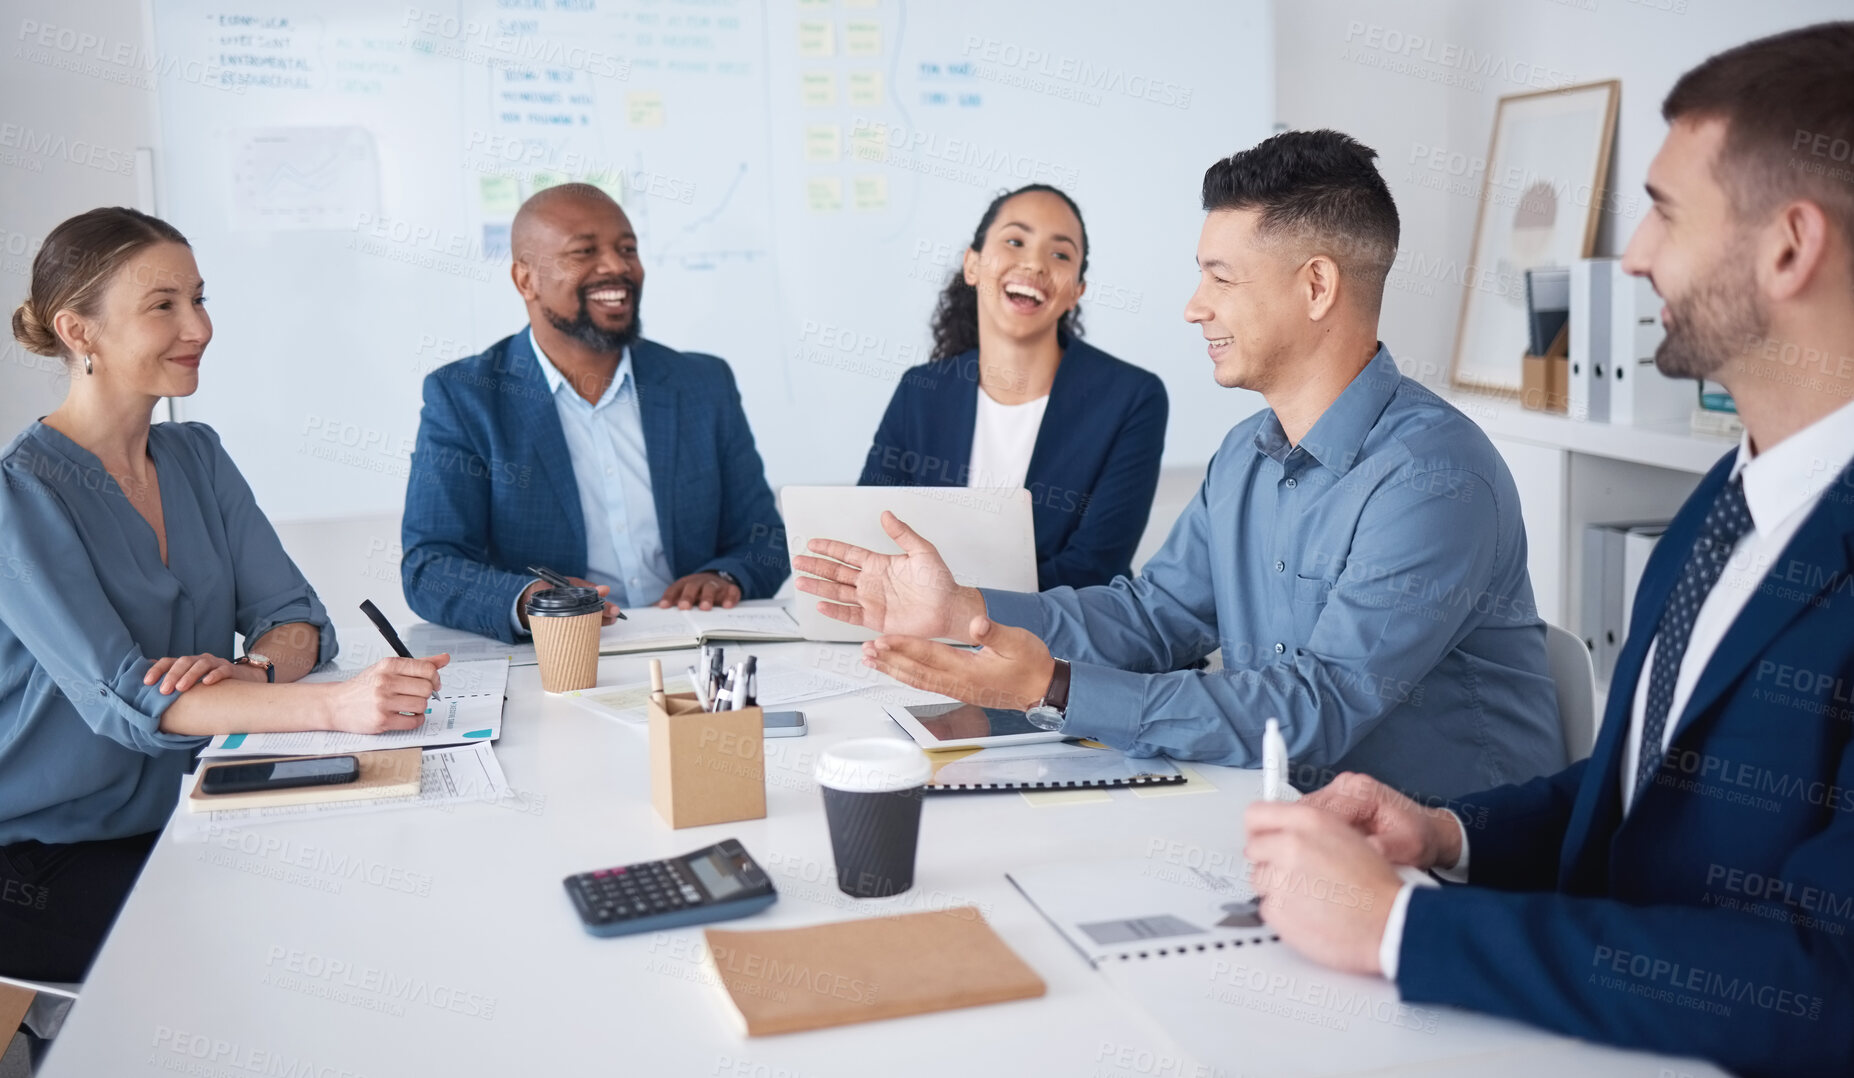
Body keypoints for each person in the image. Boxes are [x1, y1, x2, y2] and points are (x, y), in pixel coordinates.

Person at [1242, 24, 1854, 1078]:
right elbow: (1638, 798)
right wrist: (1444, 837)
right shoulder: (1732, 495)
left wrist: (1403, 929)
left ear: (1789, 246)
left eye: (1663, 212)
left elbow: (1827, 986)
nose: (1635, 257)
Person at [798, 131, 1564, 802]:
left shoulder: (1435, 479)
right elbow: (1151, 618)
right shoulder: (1245, 455)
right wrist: (960, 609)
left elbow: (1316, 711)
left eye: (1221, 278)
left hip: (1446, 871)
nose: (1194, 306)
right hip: (1284, 816)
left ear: (1317, 286)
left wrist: (1055, 688)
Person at [0, 208, 448, 986]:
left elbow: (296, 618)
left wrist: (260, 675)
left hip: (190, 811)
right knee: (270, 950)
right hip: (43, 858)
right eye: (164, 305)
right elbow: (129, 700)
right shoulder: (19, 496)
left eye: (200, 299)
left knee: (375, 888)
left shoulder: (196, 455)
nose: (198, 326)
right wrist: (336, 708)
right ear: (79, 332)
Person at [401, 183, 788, 644]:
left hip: (698, 646)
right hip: (559, 659)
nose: (617, 266)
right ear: (526, 280)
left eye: (628, 249)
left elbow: (765, 539)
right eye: (584, 252)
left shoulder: (702, 383)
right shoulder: (466, 398)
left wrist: (728, 576)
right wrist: (531, 600)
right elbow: (430, 566)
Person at [859, 184, 1167, 589]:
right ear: (973, 265)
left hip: (1055, 642)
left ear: (1077, 291)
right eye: (1015, 241)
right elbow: (871, 537)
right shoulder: (921, 391)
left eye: (1060, 254)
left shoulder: (1132, 398)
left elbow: (1094, 568)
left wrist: (955, 607)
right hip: (923, 638)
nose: (1035, 264)